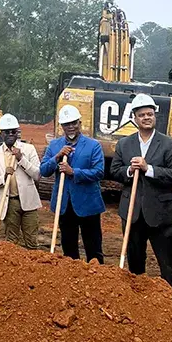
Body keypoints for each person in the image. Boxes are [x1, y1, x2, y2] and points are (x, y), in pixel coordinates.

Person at [110, 93, 172, 295]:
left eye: (149, 114)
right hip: (132, 212)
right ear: (135, 118)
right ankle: (139, 300)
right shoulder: (124, 144)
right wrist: (128, 170)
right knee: (135, 260)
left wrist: (148, 168)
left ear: (155, 116)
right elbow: (114, 170)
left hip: (161, 213)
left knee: (168, 260)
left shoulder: (170, 145)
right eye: (142, 114)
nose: (146, 117)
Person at [40, 105, 105, 263]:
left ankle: (97, 278)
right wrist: (57, 157)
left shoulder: (93, 145)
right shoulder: (54, 146)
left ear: (79, 123)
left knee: (93, 246)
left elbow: (99, 172)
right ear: (62, 126)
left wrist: (73, 172)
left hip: (88, 204)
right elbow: (43, 170)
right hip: (64, 203)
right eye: (66, 124)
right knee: (68, 247)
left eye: (74, 123)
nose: (71, 127)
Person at [0, 114, 42, 249]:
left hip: (28, 201)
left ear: (17, 132)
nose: (11, 134)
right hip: (9, 202)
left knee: (31, 240)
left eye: (13, 131)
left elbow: (37, 174)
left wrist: (21, 159)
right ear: (1, 134)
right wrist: (3, 178)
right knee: (11, 242)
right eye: (7, 132)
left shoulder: (28, 149)